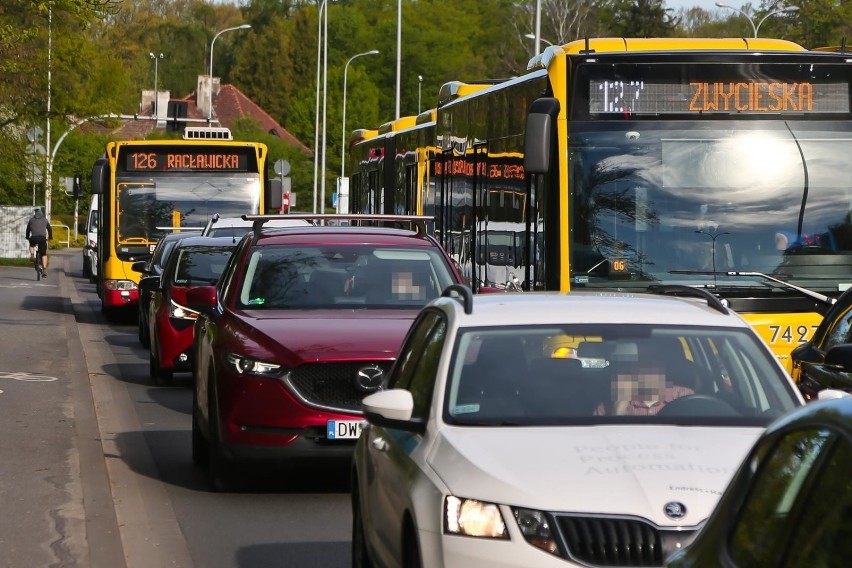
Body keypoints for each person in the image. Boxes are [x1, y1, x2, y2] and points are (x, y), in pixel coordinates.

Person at [595, 363, 693, 416]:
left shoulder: (683, 396)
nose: (648, 370)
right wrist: (618, 410)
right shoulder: (607, 407)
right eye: (641, 363)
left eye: (652, 362)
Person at [26, 207, 52, 277]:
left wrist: (27, 237)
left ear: (35, 214)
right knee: (43, 254)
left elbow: (28, 229)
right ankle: (44, 269)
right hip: (42, 239)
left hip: (33, 238)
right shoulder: (45, 220)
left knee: (31, 245)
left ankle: (32, 255)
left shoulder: (31, 220)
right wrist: (50, 237)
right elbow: (49, 229)